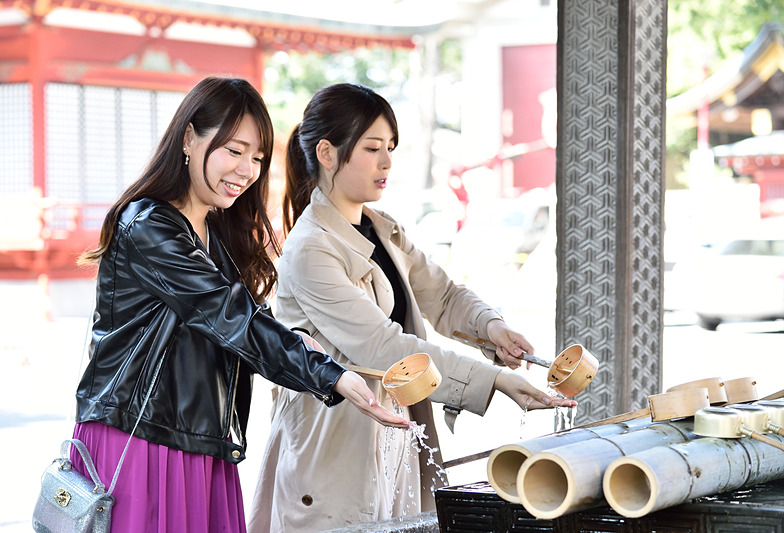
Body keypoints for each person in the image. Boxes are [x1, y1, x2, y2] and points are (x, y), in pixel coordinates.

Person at [72, 77, 409, 533]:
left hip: (201, 443)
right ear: (189, 137)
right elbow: (231, 318)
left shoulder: (215, 233)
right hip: (141, 440)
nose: (246, 169)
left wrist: (304, 350)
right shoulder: (149, 226)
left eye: (257, 158)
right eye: (234, 151)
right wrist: (330, 374)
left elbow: (240, 324)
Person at [248, 83, 577, 532]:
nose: (386, 162)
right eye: (371, 148)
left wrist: (492, 327)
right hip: (331, 449)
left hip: (392, 435)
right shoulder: (310, 249)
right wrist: (494, 379)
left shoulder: (383, 228)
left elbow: (442, 295)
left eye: (390, 148)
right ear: (327, 153)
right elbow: (381, 346)